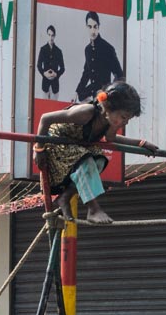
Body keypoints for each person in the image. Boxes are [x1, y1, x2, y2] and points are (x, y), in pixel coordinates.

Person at [35, 81, 153, 225]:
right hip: (56, 146)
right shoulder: (86, 112)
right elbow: (45, 118)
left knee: (99, 159)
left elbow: (111, 138)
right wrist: (39, 149)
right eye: (124, 117)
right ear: (108, 108)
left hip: (76, 150)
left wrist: (141, 143)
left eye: (128, 119)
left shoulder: (110, 122)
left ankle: (65, 197)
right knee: (87, 160)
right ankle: (93, 209)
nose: (125, 123)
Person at [74, 10, 124, 102]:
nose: (93, 31)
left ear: (98, 26)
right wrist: (77, 91)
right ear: (86, 27)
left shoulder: (108, 48)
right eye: (90, 27)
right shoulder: (87, 49)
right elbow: (86, 73)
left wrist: (107, 91)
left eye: (95, 27)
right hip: (92, 93)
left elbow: (120, 76)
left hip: (104, 96)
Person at [37, 25, 65, 99]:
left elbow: (62, 68)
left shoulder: (59, 51)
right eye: (49, 35)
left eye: (52, 35)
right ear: (47, 35)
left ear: (54, 36)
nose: (50, 37)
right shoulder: (43, 49)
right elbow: (39, 65)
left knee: (54, 108)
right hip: (45, 85)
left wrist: (56, 74)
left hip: (55, 85)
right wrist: (44, 73)